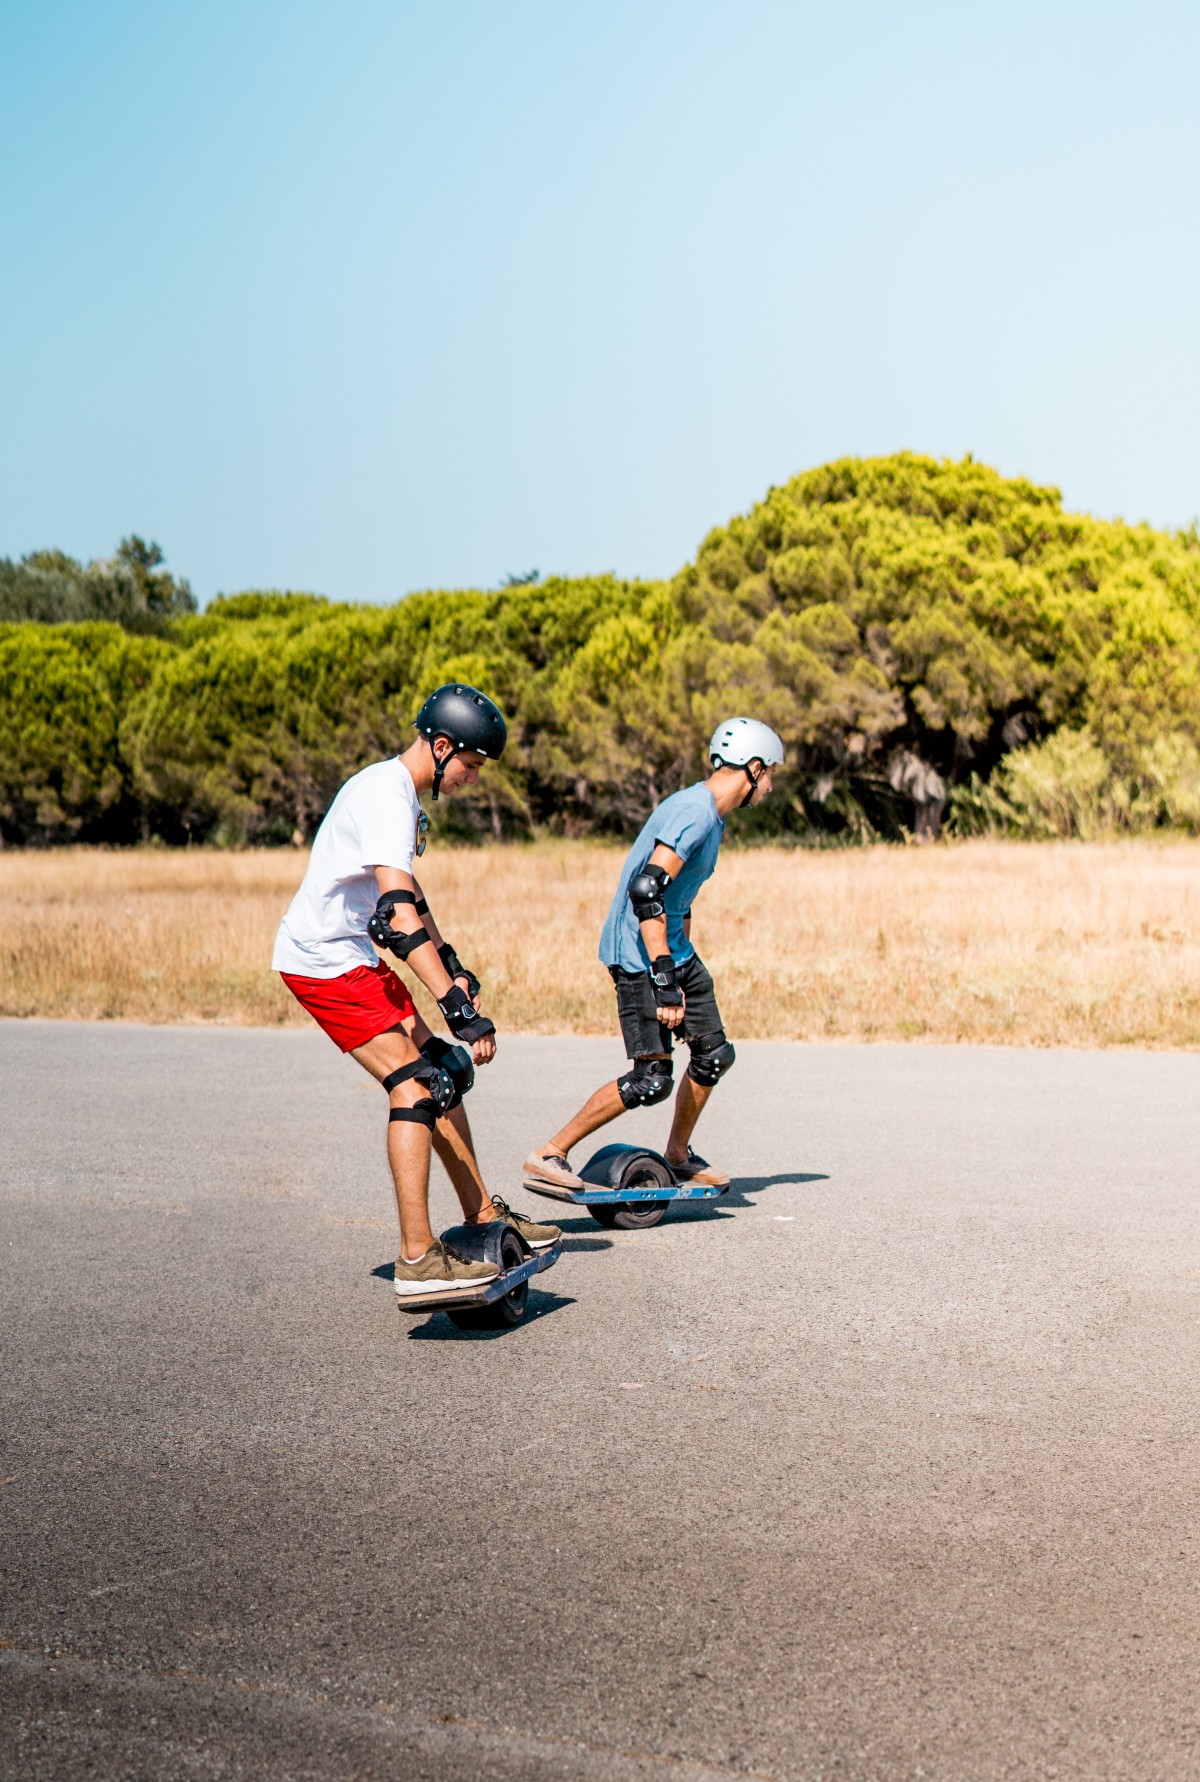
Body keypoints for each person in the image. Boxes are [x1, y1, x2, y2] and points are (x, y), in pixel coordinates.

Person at [273, 683, 560, 1297]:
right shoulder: (386, 795)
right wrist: (457, 1009)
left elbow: (410, 897)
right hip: (322, 962)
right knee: (417, 1086)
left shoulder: (397, 791)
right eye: (471, 765)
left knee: (445, 1069)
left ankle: (483, 1216)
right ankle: (418, 1259)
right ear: (442, 746)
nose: (473, 779)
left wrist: (451, 966)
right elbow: (397, 917)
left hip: (350, 955)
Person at [523, 717, 784, 1192]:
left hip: (673, 950)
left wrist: (682, 964)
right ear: (752, 767)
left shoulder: (713, 816)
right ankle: (550, 1152)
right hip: (639, 954)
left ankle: (678, 1155)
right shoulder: (694, 812)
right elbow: (647, 891)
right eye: (770, 774)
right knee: (651, 1079)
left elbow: (680, 897)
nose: (771, 785)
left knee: (713, 1055)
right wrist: (664, 979)